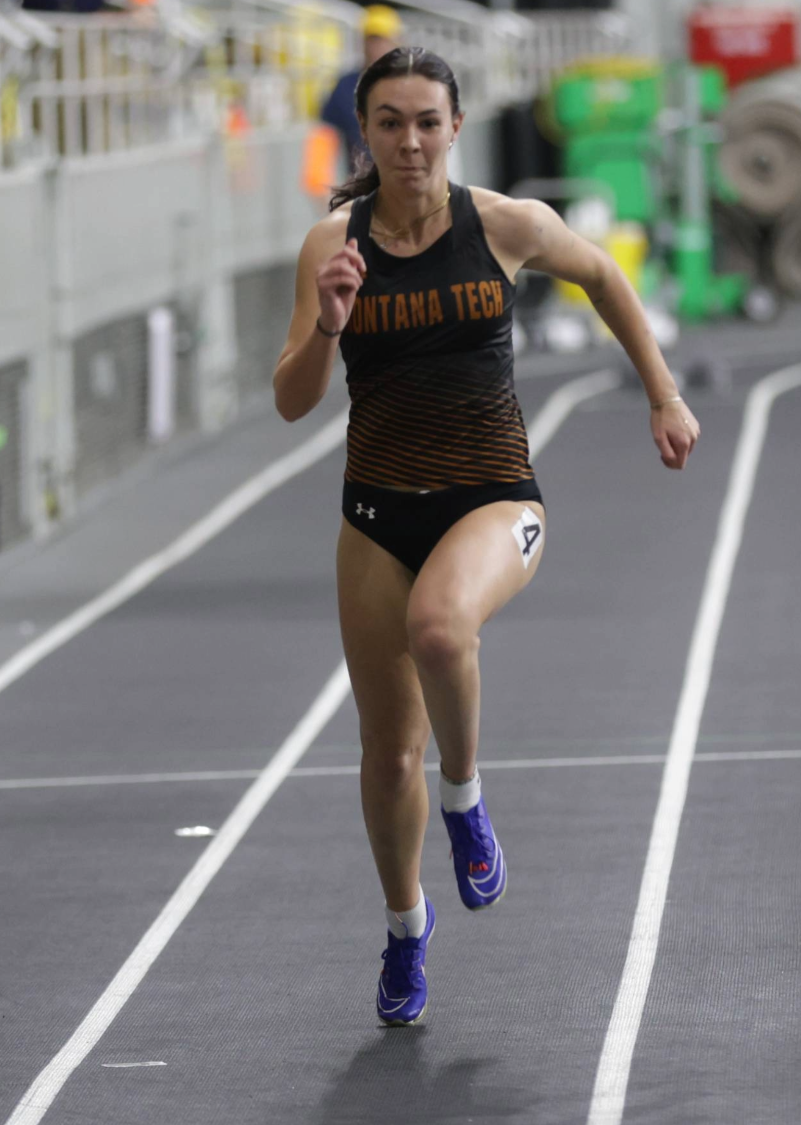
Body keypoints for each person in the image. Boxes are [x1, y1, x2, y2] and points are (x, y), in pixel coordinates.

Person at [272, 46, 699, 1027]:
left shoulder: (501, 225)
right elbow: (291, 400)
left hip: (492, 499)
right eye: (389, 122)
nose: (410, 140)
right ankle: (403, 929)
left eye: (427, 121)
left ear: (455, 127)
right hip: (374, 514)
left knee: (439, 630)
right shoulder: (329, 247)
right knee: (384, 758)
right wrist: (330, 320)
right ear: (366, 134)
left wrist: (662, 398)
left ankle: (464, 803)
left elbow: (603, 278)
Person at [320, 5, 402, 175]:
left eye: (382, 39)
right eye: (370, 39)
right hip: (363, 185)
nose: (375, 46)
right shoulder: (345, 86)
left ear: (396, 41)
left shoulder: (414, 84)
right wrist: (319, 183)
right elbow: (324, 136)